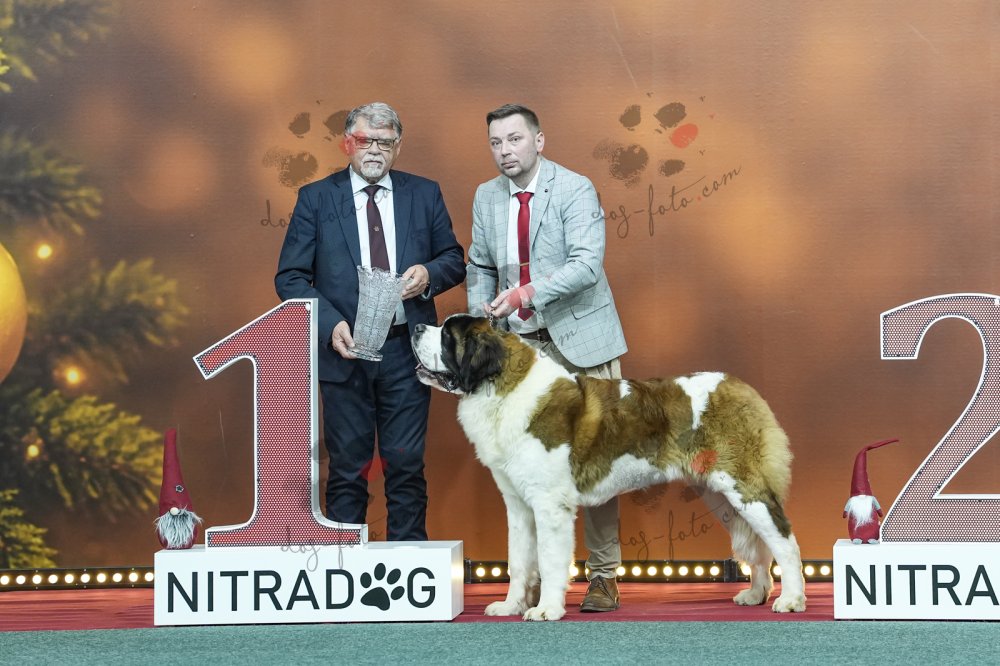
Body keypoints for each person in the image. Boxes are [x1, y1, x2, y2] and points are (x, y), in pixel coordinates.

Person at [275, 102, 465, 541]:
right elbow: (291, 277)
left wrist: (429, 275)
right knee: (347, 469)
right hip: (344, 352)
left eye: (385, 142)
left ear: (398, 146)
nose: (374, 150)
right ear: (348, 143)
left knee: (406, 466)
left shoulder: (424, 194)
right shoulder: (316, 198)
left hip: (406, 352)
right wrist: (328, 324)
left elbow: (453, 259)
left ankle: (409, 567)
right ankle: (345, 570)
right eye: (365, 140)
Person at [467, 103, 629, 611]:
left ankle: (602, 575)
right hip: (519, 351)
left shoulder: (575, 188)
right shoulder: (486, 196)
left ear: (539, 141)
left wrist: (525, 294)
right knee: (525, 467)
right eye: (496, 142)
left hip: (583, 342)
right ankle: (531, 580)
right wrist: (480, 321)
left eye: (515, 139)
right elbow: (479, 264)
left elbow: (586, 264)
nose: (505, 151)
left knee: (597, 460)